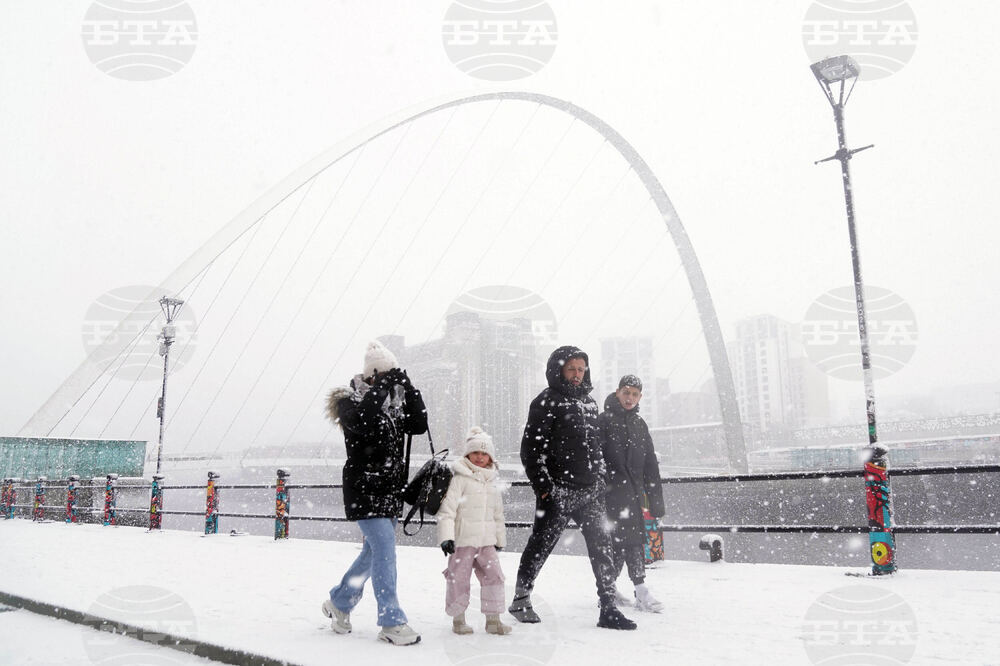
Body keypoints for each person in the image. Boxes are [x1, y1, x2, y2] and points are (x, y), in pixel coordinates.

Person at [509, 345, 637, 630]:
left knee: (603, 547)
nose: (577, 374)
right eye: (572, 369)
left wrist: (600, 476)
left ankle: (608, 607)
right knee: (541, 545)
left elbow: (597, 447)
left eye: (581, 369)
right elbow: (531, 451)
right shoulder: (546, 402)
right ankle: (521, 598)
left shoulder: (590, 403)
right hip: (559, 491)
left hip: (591, 491)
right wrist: (546, 490)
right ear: (559, 369)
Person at [321, 340, 427, 646]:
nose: (389, 381)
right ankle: (391, 620)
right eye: (384, 375)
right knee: (384, 549)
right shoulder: (349, 402)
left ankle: (340, 602)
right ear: (372, 375)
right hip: (363, 489)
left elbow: (419, 425)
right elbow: (363, 424)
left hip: (390, 491)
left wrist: (410, 388)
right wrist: (383, 387)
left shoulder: (394, 407)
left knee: (372, 553)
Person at [598, 374, 666, 613]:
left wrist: (656, 502)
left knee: (624, 543)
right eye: (626, 392)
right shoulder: (603, 421)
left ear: (640, 397)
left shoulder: (639, 425)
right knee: (627, 542)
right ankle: (640, 590)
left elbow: (650, 466)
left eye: (635, 394)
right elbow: (594, 459)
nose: (630, 398)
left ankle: (609, 588)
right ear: (617, 392)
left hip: (634, 496)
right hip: (610, 495)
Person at [437, 426, 512, 636]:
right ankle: (458, 619)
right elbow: (447, 510)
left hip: (486, 542)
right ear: (468, 454)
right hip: (462, 541)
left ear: (490, 457)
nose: (480, 457)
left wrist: (499, 539)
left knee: (495, 576)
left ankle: (493, 620)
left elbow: (498, 514)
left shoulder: (492, 481)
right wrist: (447, 537)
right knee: (458, 578)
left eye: (484, 453)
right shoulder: (460, 479)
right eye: (475, 453)